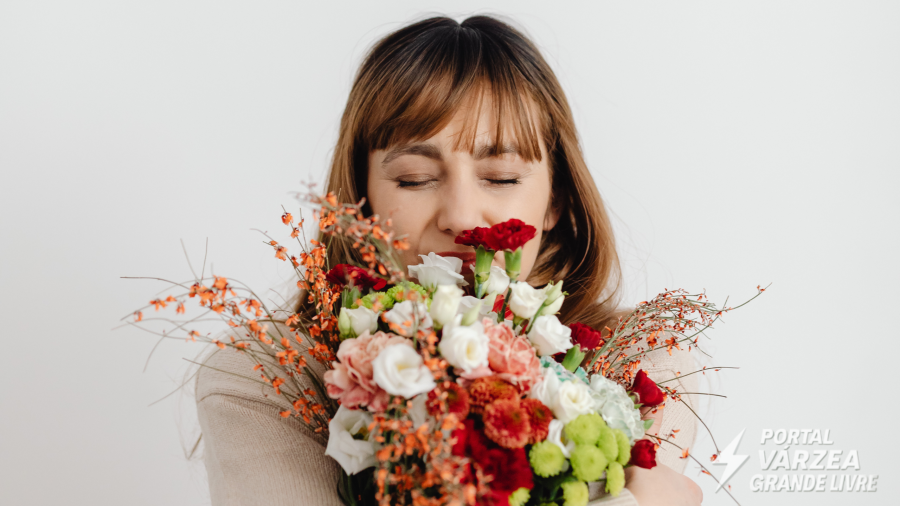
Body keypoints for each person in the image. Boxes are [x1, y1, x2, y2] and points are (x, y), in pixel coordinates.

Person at [195, 15, 703, 506]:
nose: (460, 218)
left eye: (501, 177)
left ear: (557, 201)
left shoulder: (639, 365)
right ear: (362, 202)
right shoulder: (267, 377)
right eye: (414, 179)